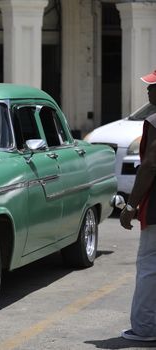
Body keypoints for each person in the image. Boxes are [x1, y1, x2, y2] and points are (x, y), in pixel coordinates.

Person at [119, 69, 156, 342]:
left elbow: (150, 165)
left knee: (149, 266)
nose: (148, 90)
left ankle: (144, 328)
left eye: (152, 87)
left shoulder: (154, 121)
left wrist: (131, 206)